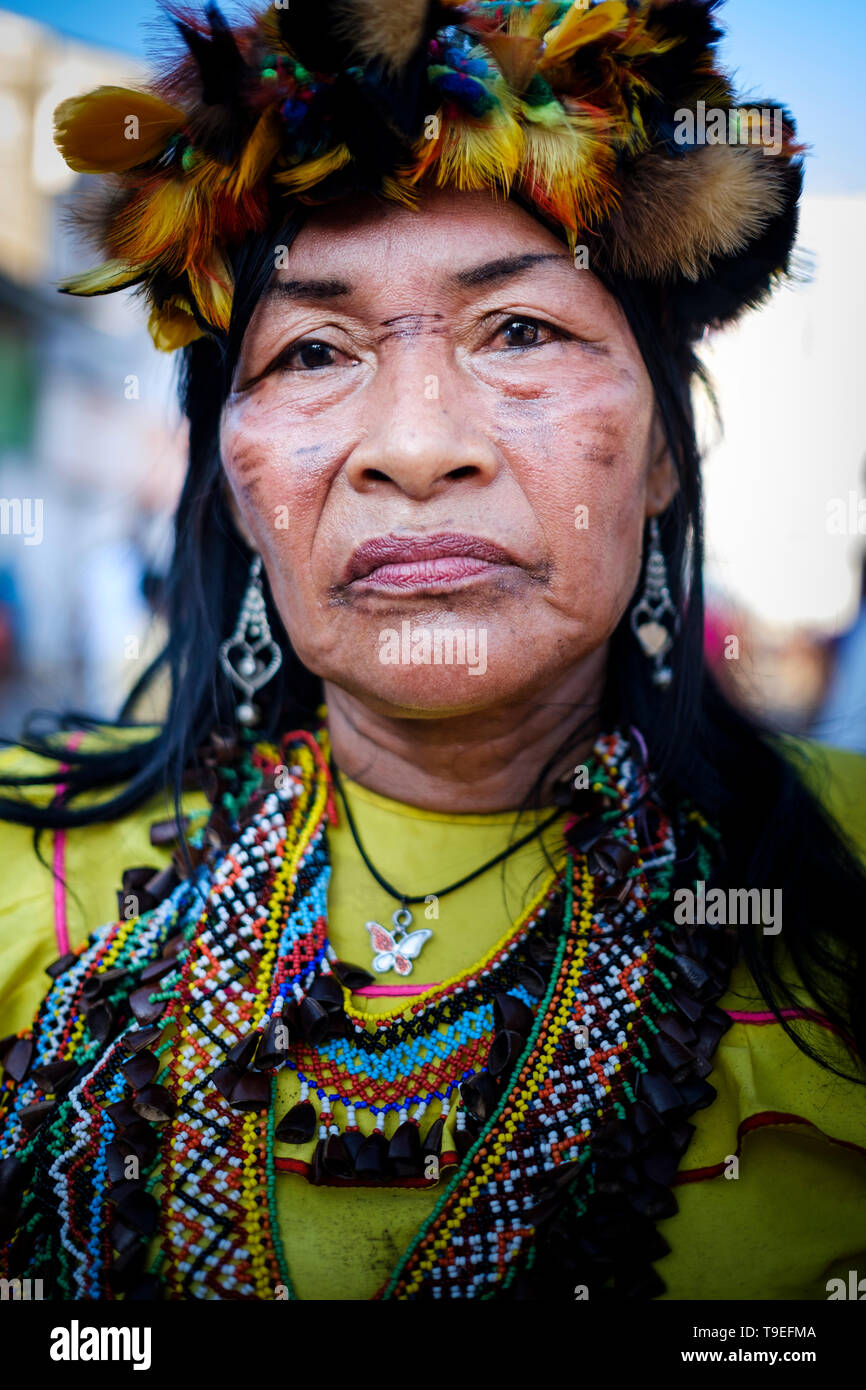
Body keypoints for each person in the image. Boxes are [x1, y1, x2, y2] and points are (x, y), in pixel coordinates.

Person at [0, 0, 864, 1303]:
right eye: (312, 349)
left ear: (661, 457)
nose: (414, 445)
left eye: (520, 330)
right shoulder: (22, 882)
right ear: (232, 482)